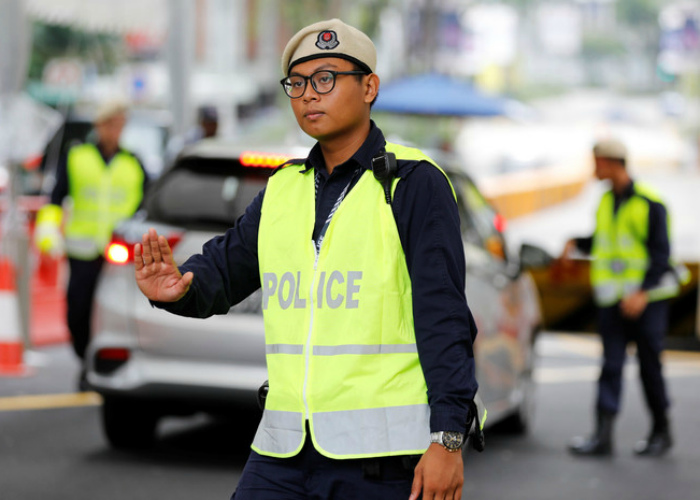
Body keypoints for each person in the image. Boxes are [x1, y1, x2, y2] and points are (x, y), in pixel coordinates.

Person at [134, 18, 481, 500]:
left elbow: (445, 319)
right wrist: (182, 286)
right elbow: (227, 267)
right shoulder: (284, 187)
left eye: (325, 79)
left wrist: (448, 438)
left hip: (381, 460)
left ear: (369, 87)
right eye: (297, 83)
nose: (309, 94)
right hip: (283, 450)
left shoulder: (414, 183)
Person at [561, 138, 688, 457]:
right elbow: (605, 243)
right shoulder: (606, 201)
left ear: (610, 162)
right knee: (611, 366)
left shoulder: (649, 202)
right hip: (613, 301)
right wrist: (575, 242)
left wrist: (642, 293)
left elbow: (661, 256)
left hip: (647, 301)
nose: (594, 169)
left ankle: (662, 431)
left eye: (596, 162)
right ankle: (602, 437)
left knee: (649, 367)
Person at [35, 99, 149, 390]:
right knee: (78, 310)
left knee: (115, 311)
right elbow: (55, 199)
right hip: (83, 250)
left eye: (121, 124)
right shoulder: (76, 157)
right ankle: (84, 358)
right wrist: (48, 231)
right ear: (99, 126)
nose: (116, 130)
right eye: (111, 124)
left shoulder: (133, 163)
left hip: (119, 255)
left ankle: (105, 364)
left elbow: (146, 207)